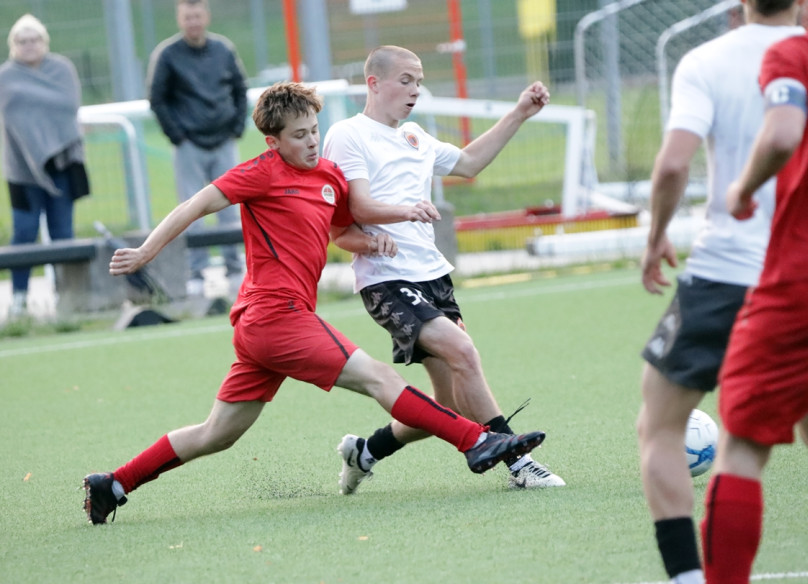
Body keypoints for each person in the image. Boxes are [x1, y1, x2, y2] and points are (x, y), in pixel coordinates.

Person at [81, 81, 546, 525]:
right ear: (273, 142)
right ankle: (477, 441)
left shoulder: (329, 177)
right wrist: (146, 251)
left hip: (268, 326)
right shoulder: (261, 173)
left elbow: (343, 233)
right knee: (380, 378)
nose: (311, 142)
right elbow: (194, 206)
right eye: (298, 135)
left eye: (314, 131)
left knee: (216, 434)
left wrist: (373, 242)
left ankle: (114, 483)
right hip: (275, 315)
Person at [638, 2, 808, 584]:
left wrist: (659, 236)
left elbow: (675, 162)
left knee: (666, 426)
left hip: (743, 274)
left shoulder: (731, 59)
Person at [322, 45, 564, 493]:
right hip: (387, 278)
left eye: (419, 81)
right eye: (406, 80)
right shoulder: (348, 134)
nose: (416, 90)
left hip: (433, 275)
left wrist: (519, 114)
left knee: (447, 403)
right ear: (374, 83)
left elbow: (469, 164)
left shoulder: (414, 136)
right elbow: (358, 206)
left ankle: (366, 451)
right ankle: (519, 461)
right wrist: (405, 210)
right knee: (464, 352)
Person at [147, 0, 246, 297]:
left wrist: (236, 127)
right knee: (190, 211)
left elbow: (240, 89)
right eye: (187, 17)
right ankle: (197, 274)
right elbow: (157, 98)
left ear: (206, 16)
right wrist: (177, 135)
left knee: (231, 209)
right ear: (180, 19)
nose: (193, 22)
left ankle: (235, 270)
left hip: (224, 141)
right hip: (189, 145)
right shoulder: (167, 54)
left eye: (197, 15)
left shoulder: (224, 50)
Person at [0, 14, 90, 319]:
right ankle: (19, 299)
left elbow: (68, 106)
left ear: (44, 41)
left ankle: (68, 297)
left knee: (63, 232)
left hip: (62, 164)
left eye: (34, 39)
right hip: (22, 169)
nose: (29, 45)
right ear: (13, 45)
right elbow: (13, 113)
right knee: (24, 233)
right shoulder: (6, 77)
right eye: (22, 41)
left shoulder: (62, 69)